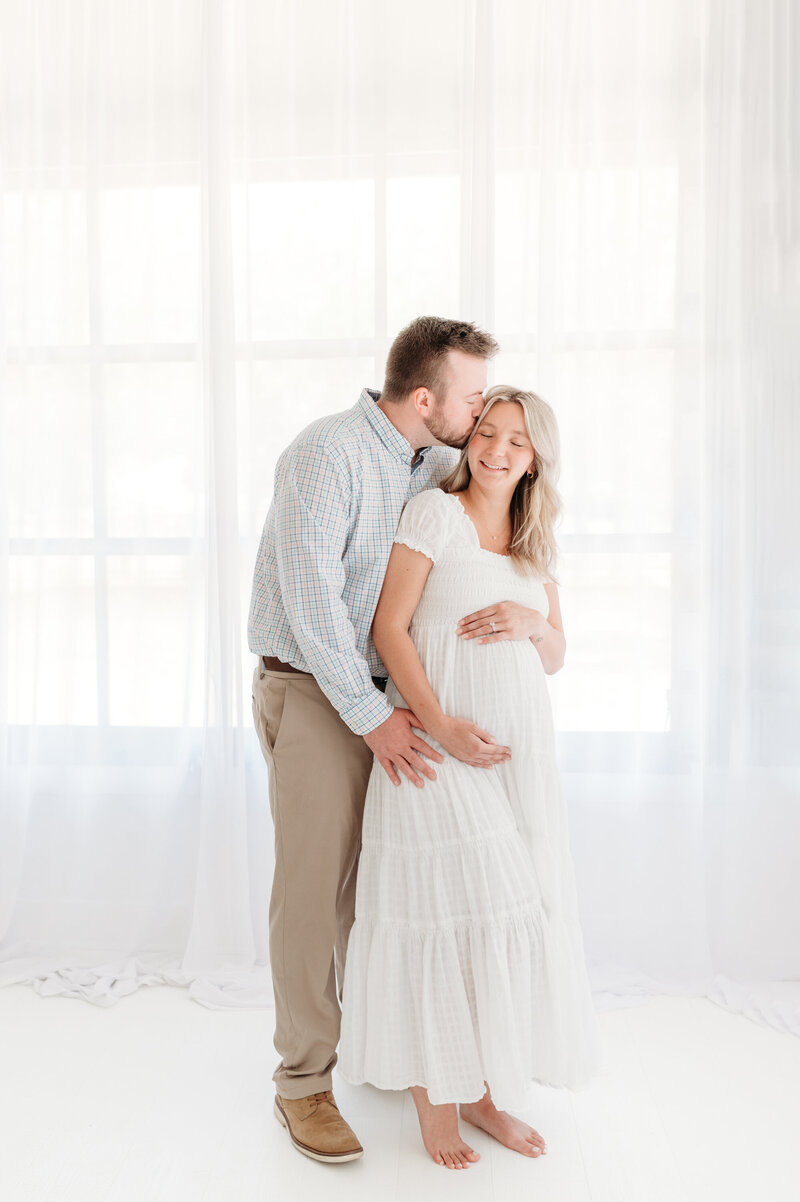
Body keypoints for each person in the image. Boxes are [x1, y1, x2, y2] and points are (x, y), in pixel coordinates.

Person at [248, 316, 501, 1164]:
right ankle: (303, 1084)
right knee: (314, 893)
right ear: (423, 397)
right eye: (471, 397)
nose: (479, 410)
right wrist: (374, 715)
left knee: (383, 883)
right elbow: (312, 601)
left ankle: (374, 1041)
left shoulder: (430, 464)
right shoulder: (326, 453)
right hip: (317, 689)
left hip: (386, 697)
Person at [338, 386, 598, 1169]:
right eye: (486, 432)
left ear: (535, 459)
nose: (495, 449)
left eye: (516, 441)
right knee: (440, 920)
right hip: (433, 752)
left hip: (513, 764)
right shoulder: (434, 516)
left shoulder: (531, 541)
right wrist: (441, 725)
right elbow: (389, 626)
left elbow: (555, 655)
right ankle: (438, 1109)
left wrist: (534, 623)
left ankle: (482, 1090)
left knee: (503, 917)